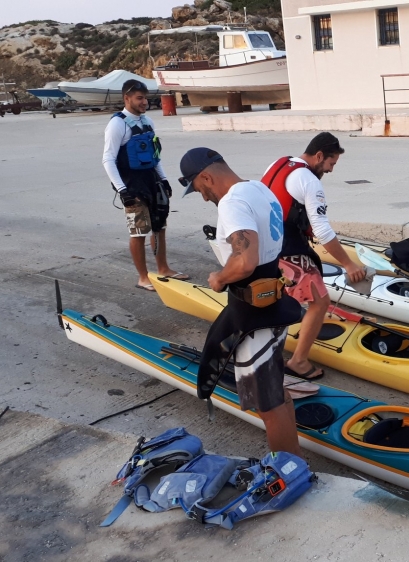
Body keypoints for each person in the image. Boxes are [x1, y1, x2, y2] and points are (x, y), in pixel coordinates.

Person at [182, 147, 305, 456]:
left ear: (206, 176)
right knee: (275, 391)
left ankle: (288, 470)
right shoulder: (259, 189)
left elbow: (245, 260)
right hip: (273, 303)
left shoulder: (232, 203)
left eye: (199, 188)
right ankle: (295, 462)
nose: (203, 196)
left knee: (268, 404)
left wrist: (220, 278)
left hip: (255, 315)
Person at [262, 132, 366, 381]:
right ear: (319, 156)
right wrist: (348, 263)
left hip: (263, 243)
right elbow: (321, 229)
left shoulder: (281, 163)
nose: (330, 170)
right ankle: (298, 362)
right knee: (320, 301)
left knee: (292, 289)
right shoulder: (309, 180)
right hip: (284, 248)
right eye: (331, 163)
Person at [102, 78, 189, 290]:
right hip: (132, 185)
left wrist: (165, 180)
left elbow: (154, 156)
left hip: (152, 181)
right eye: (140, 98)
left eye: (146, 98)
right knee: (138, 232)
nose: (144, 102)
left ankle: (163, 268)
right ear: (127, 98)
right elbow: (108, 159)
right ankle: (143, 277)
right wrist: (122, 190)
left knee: (160, 228)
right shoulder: (117, 124)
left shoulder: (148, 122)